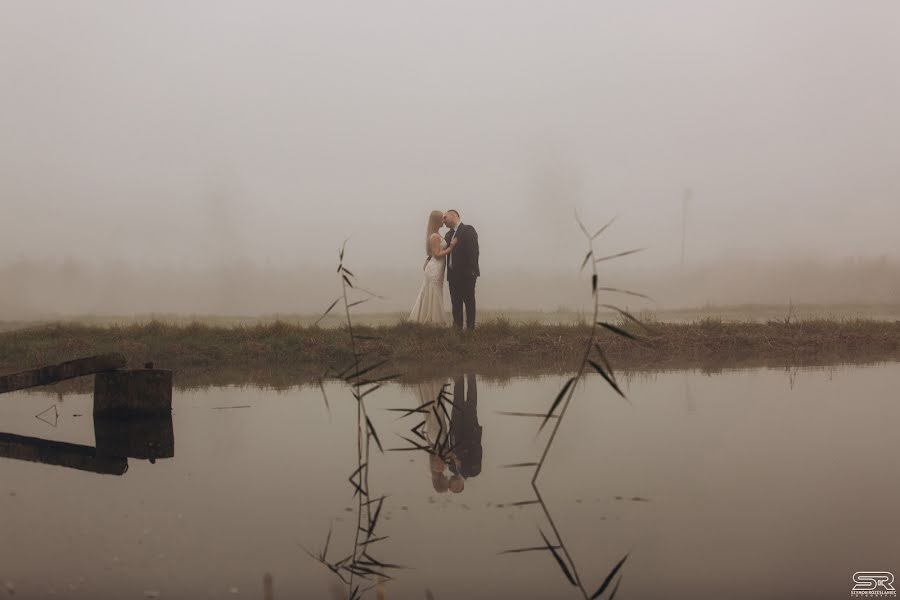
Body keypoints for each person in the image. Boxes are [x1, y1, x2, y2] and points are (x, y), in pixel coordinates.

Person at [409, 210, 458, 324]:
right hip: (435, 269)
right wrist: (451, 247)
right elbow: (436, 254)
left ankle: (430, 319)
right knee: (434, 292)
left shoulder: (437, 234)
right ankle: (434, 321)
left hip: (437, 267)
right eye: (442, 218)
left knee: (433, 292)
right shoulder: (435, 236)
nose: (444, 220)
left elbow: (433, 253)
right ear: (437, 220)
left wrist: (428, 259)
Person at [442, 210, 480, 331]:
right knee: (455, 303)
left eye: (445, 217)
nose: (444, 221)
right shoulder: (448, 235)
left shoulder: (468, 230)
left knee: (469, 302)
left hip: (467, 275)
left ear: (454, 216)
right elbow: (441, 250)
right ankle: (457, 328)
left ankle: (470, 329)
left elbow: (474, 252)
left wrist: (472, 272)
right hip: (453, 275)